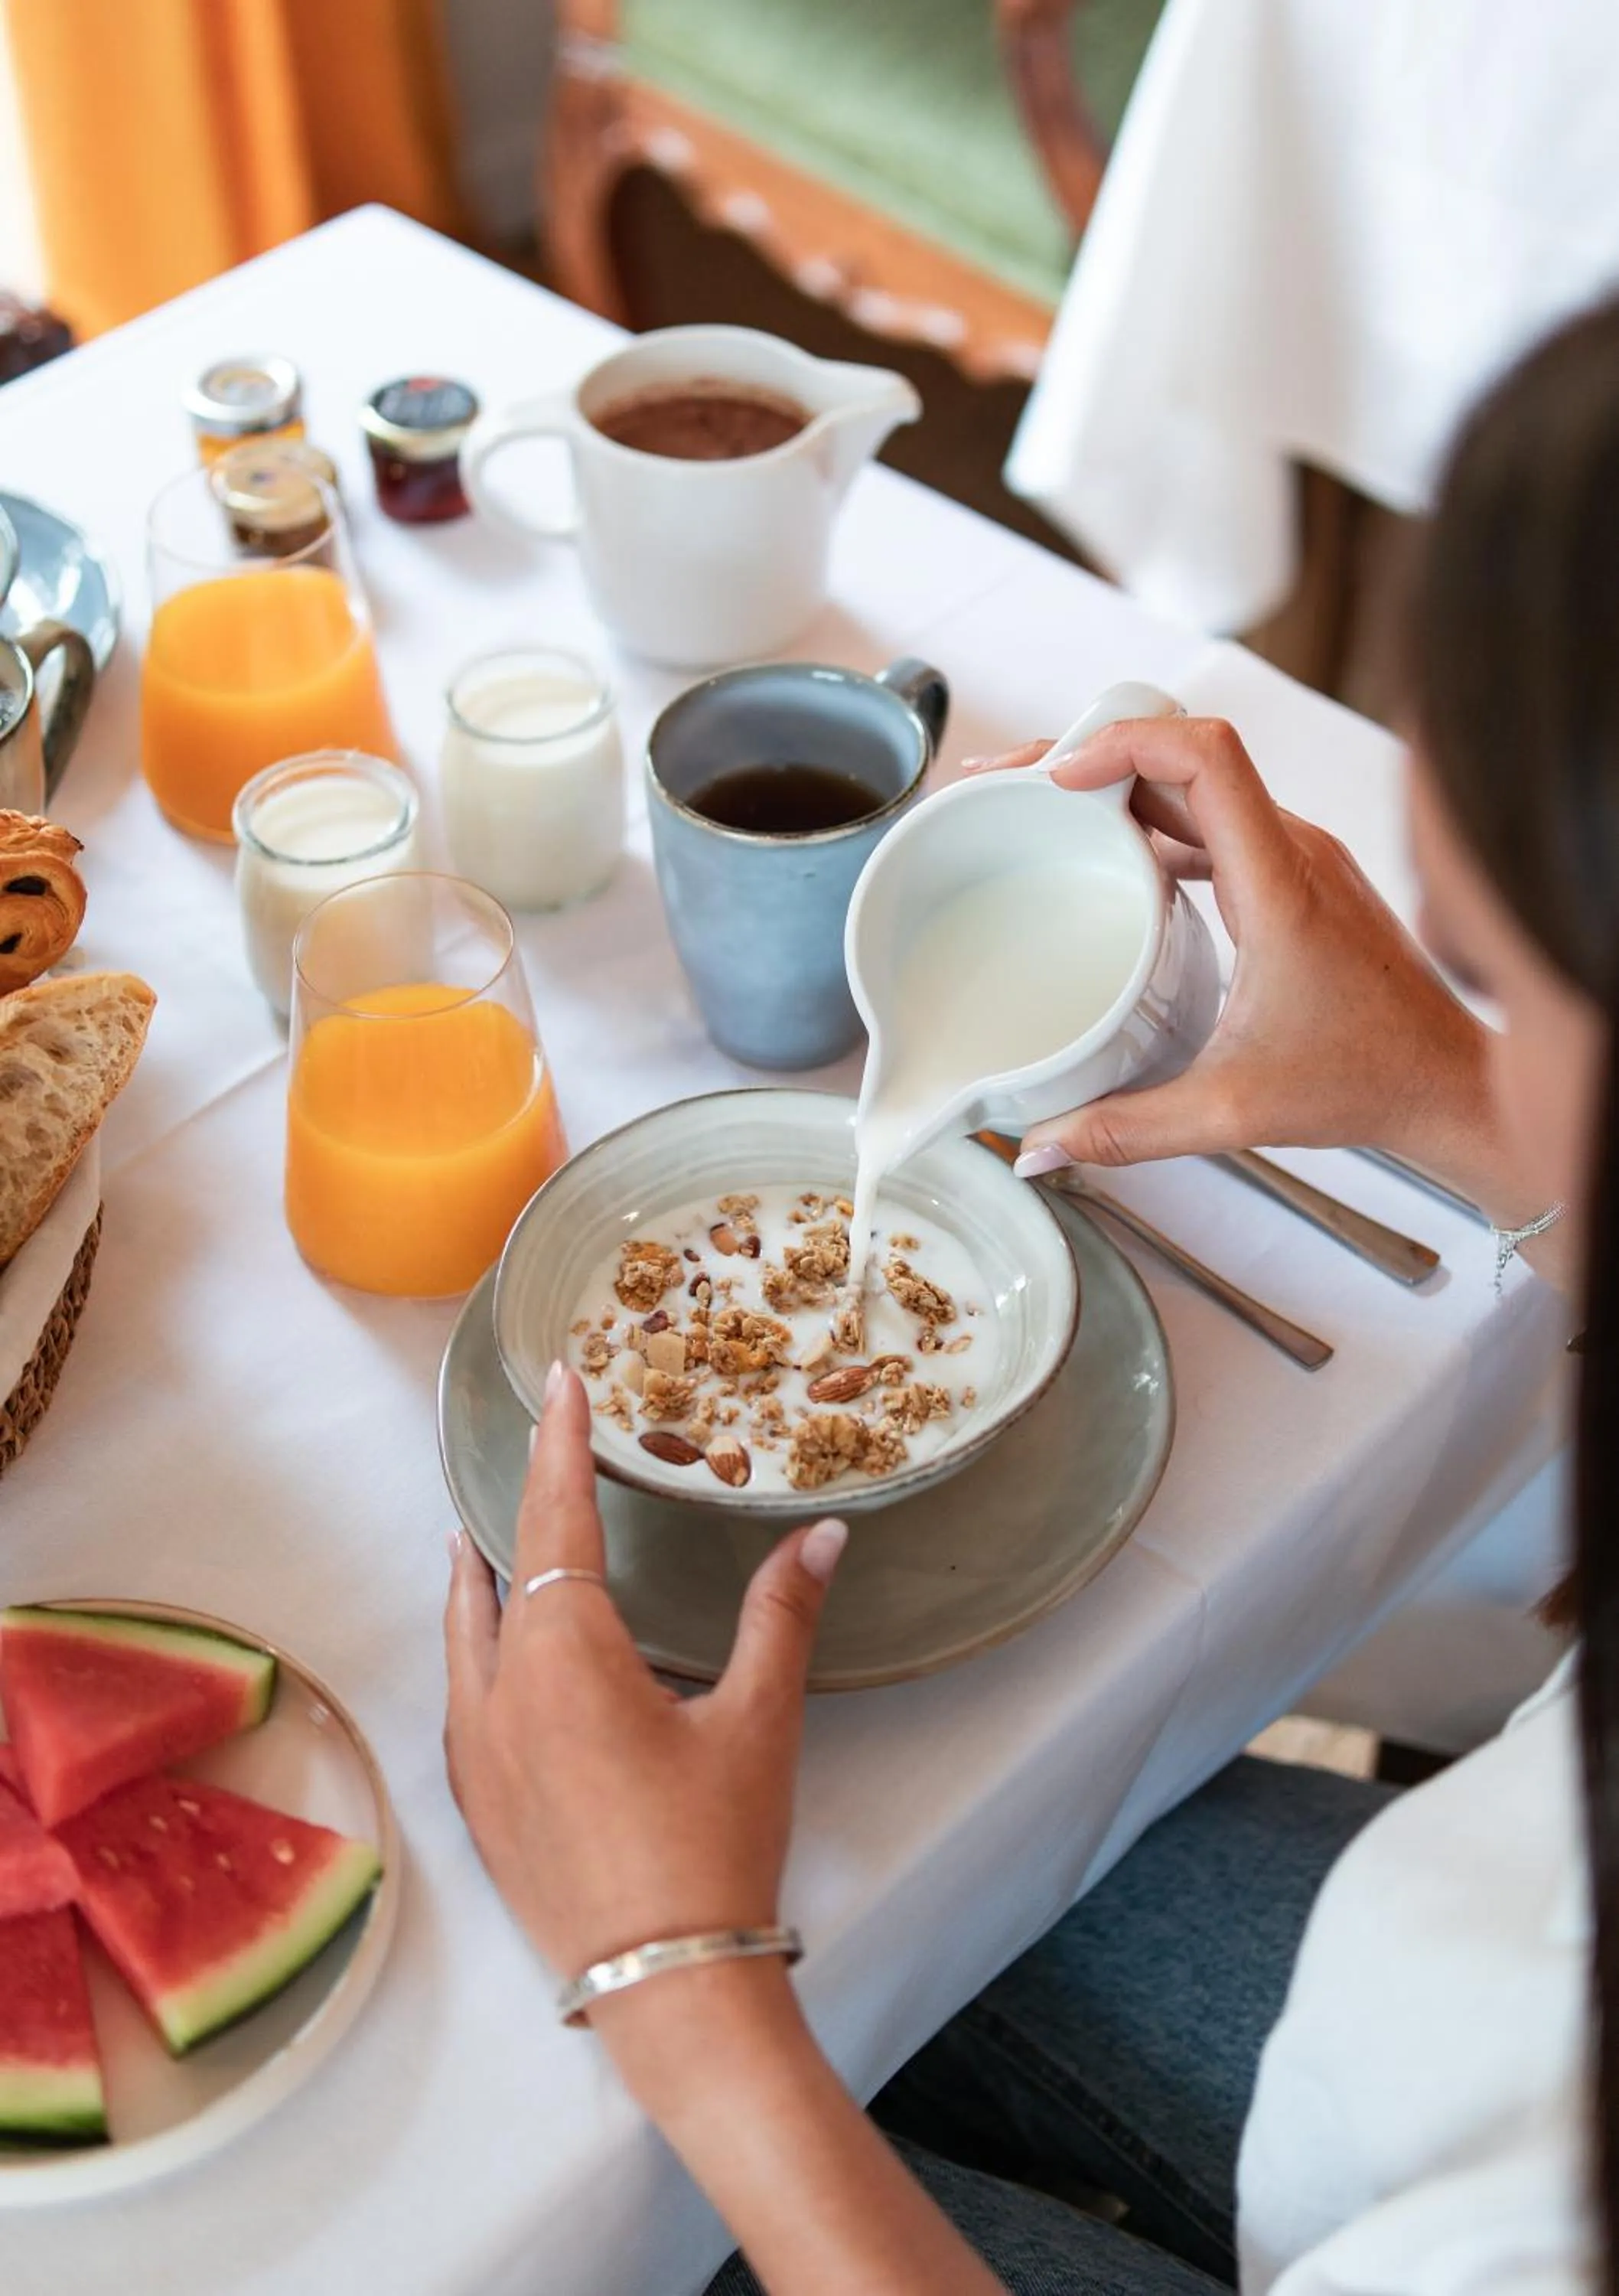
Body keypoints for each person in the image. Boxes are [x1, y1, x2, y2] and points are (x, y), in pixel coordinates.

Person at [442, 295, 1619, 2294]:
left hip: (1432, 2165)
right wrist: (1437, 1083)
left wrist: (677, 1981)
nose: (1452, 980)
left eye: (1500, 977)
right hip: (1460, 1987)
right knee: (967, 1872)